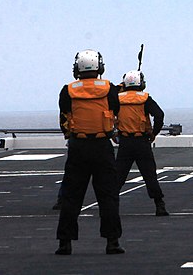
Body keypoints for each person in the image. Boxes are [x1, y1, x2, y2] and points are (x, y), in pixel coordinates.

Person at [55, 49, 124, 255]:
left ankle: (65, 243)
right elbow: (116, 109)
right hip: (102, 146)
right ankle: (112, 242)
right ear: (99, 67)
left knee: (71, 196)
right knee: (108, 196)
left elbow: (64, 116)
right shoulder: (109, 88)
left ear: (77, 68)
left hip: (78, 147)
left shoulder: (68, 90)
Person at [115, 70, 168, 216]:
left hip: (125, 142)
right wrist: (154, 133)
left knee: (118, 177)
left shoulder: (117, 98)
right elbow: (159, 115)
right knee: (150, 175)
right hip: (142, 142)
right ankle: (159, 205)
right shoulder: (145, 98)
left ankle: (110, 206)